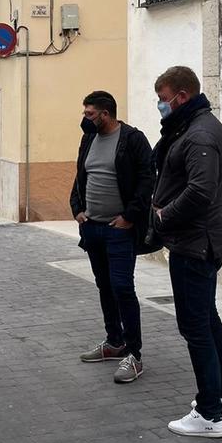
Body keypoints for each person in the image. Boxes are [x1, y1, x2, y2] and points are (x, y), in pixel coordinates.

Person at [151, 67, 222, 438]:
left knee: (195, 326)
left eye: (163, 98)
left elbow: (201, 191)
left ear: (181, 97)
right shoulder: (194, 126)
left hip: (195, 242)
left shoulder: (200, 133)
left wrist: (164, 215)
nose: (160, 105)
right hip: (200, 239)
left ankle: (208, 415)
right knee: (208, 316)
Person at [70, 91, 154, 384]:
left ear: (105, 114)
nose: (85, 119)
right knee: (104, 285)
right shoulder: (88, 139)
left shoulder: (132, 139)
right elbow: (81, 174)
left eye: (89, 114)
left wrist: (129, 216)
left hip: (120, 230)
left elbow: (147, 179)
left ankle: (134, 354)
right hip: (92, 227)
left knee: (122, 287)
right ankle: (114, 341)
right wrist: (77, 209)